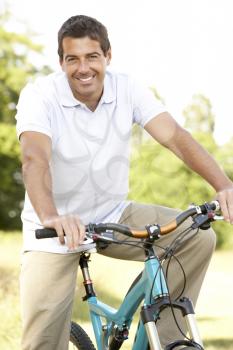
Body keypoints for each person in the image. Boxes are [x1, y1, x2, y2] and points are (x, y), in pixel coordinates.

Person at [16, 15, 233, 350]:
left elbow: (174, 137)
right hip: (54, 230)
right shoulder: (40, 95)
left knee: (197, 237)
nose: (83, 68)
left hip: (112, 216)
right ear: (60, 61)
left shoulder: (127, 88)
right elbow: (34, 159)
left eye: (92, 57)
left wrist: (224, 184)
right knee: (41, 344)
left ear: (108, 57)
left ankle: (167, 339)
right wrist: (51, 217)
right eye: (72, 58)